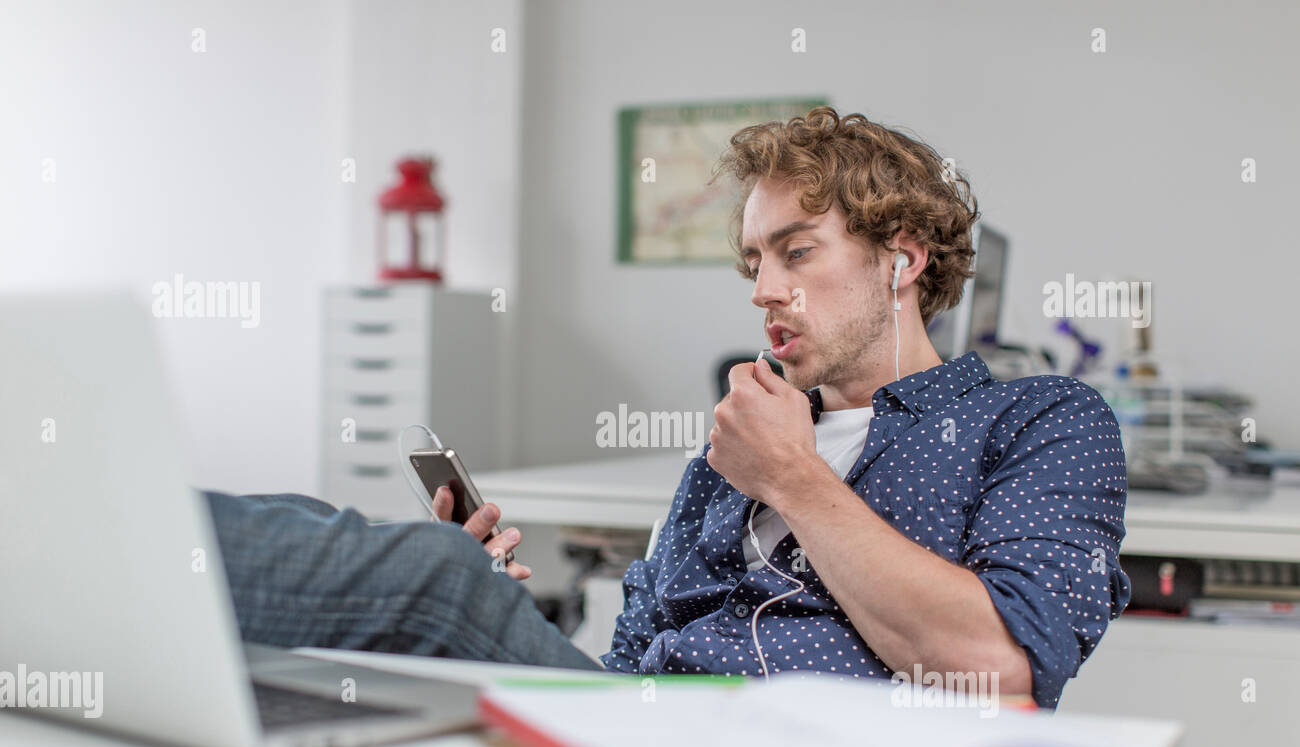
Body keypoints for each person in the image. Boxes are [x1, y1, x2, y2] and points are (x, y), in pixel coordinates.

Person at [209, 106, 1131, 710]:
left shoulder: (1039, 421)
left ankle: (108, 540)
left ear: (904, 257)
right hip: (640, 729)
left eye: (797, 252)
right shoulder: (727, 456)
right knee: (380, 579)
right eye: (753, 263)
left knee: (421, 582)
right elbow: (630, 660)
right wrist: (511, 612)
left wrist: (794, 478)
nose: (763, 289)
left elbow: (1002, 667)